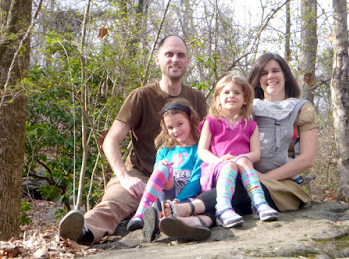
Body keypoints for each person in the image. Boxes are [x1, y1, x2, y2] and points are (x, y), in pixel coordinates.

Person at [58, 35, 207, 244]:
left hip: (184, 177)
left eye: (181, 55)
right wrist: (125, 177)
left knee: (205, 202)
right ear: (158, 59)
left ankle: (181, 227)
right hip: (142, 174)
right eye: (169, 54)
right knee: (113, 203)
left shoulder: (197, 99)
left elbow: (209, 140)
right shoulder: (141, 96)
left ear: (187, 61)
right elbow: (111, 140)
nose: (175, 59)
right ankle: (83, 231)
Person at [160, 53, 318, 237]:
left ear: (286, 75)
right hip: (238, 173)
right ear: (257, 80)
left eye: (275, 71)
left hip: (280, 185)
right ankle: (195, 223)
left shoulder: (301, 108)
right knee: (229, 188)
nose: (270, 77)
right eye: (264, 73)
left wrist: (264, 177)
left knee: (241, 188)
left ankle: (186, 210)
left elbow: (307, 159)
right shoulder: (247, 110)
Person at [197, 74, 278, 228]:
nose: (231, 96)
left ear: (245, 99)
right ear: (218, 98)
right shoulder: (212, 122)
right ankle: (223, 209)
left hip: (242, 172)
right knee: (230, 165)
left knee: (242, 160)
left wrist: (236, 159)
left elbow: (256, 154)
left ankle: (259, 203)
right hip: (216, 170)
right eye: (226, 93)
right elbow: (202, 151)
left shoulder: (251, 125)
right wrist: (221, 161)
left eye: (236, 93)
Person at [126, 98, 211, 241]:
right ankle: (141, 214)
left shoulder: (200, 150)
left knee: (178, 207)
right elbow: (156, 179)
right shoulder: (164, 151)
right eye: (170, 128)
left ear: (190, 120)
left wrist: (178, 201)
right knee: (162, 167)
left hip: (185, 198)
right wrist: (163, 166)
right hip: (165, 193)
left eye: (180, 124)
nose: (176, 131)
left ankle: (163, 222)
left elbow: (196, 180)